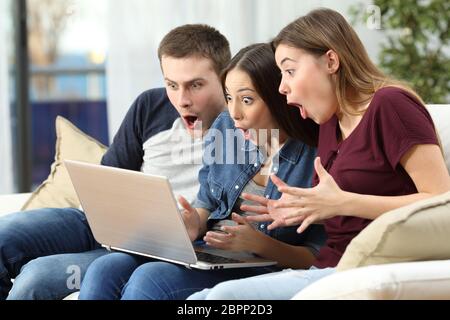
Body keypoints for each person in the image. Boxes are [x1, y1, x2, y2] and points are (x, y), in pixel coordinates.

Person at [188, 8, 450, 300]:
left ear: (330, 61)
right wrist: (304, 209)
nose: (282, 86)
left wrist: (343, 202)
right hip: (327, 267)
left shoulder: (390, 105)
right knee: (197, 300)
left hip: (367, 269)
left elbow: (441, 202)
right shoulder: (329, 123)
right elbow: (343, 212)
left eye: (289, 71)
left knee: (222, 299)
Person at [78, 43, 327, 300]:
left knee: (150, 280)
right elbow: (207, 203)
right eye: (229, 97)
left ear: (279, 99)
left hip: (263, 265)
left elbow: (317, 255)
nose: (234, 113)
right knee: (104, 269)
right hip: (212, 250)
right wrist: (192, 223)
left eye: (247, 100)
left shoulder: (316, 155)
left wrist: (259, 244)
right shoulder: (226, 129)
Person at [0, 24, 230, 300]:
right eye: (171, 85)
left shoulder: (245, 128)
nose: (181, 100)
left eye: (195, 85)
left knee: (36, 279)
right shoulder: (150, 105)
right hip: (100, 221)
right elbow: (109, 176)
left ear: (223, 77)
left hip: (159, 248)